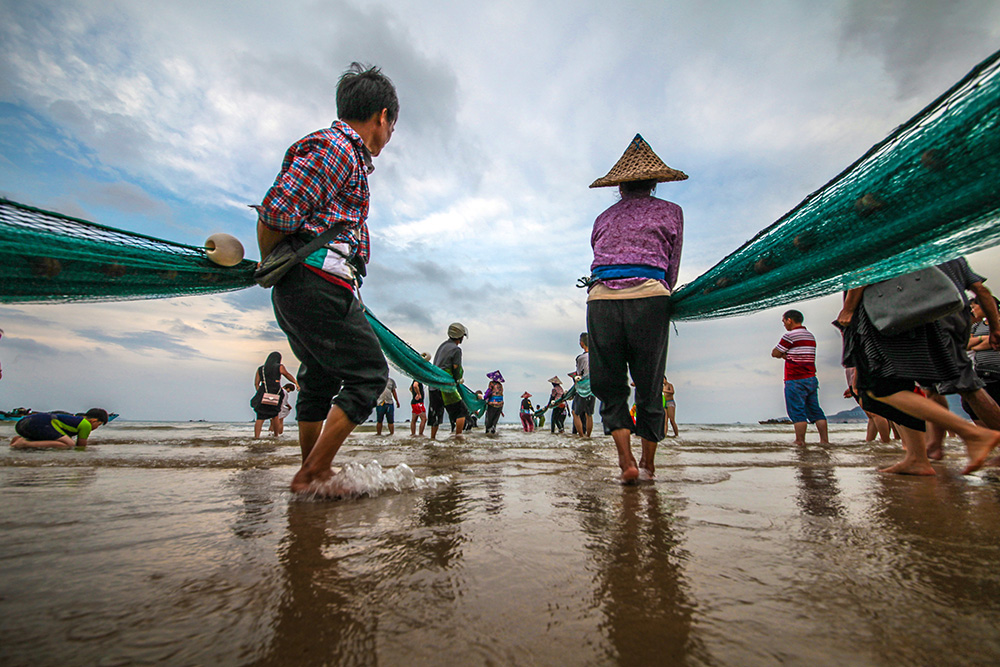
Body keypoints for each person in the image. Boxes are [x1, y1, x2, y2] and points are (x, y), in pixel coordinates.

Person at [254, 63, 398, 492]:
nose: (390, 136)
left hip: (306, 286)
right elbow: (276, 211)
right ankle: (314, 471)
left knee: (318, 377)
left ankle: (313, 471)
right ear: (383, 117)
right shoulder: (338, 148)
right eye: (392, 126)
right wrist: (277, 265)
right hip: (318, 283)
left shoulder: (341, 152)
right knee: (370, 373)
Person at [585, 134, 685, 482]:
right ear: (655, 183)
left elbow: (597, 255)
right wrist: (660, 294)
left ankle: (626, 460)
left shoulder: (603, 217)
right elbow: (671, 268)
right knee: (649, 382)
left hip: (602, 301)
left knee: (610, 385)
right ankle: (649, 465)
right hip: (651, 298)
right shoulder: (672, 212)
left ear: (620, 187)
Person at [838, 273, 1000, 475]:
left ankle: (972, 434)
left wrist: (849, 308)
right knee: (902, 384)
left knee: (876, 387)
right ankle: (917, 458)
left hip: (883, 315)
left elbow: (866, 267)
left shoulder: (863, 243)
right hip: (909, 312)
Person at [919, 258, 1000, 460]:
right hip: (932, 323)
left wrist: (995, 326)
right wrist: (994, 327)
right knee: (931, 387)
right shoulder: (954, 256)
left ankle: (976, 437)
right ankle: (934, 447)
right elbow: (981, 291)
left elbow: (982, 293)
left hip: (938, 321)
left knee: (967, 386)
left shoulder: (916, 253)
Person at [771, 310, 829, 446]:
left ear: (789, 320)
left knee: (797, 412)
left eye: (784, 321)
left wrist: (784, 355)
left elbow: (775, 352)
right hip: (811, 378)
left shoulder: (789, 336)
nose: (784, 324)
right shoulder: (810, 335)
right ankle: (825, 441)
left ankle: (800, 441)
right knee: (816, 411)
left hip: (795, 378)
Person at [962, 296, 1000, 428]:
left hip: (997, 372)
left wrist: (977, 344)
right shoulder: (977, 326)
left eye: (974, 307)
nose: (972, 310)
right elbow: (966, 344)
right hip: (981, 371)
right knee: (970, 404)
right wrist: (984, 339)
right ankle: (990, 440)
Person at [428, 323, 469, 440]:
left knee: (435, 414)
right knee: (461, 412)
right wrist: (458, 379)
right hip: (446, 386)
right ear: (460, 337)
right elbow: (456, 368)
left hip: (433, 385)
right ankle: (458, 438)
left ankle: (432, 440)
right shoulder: (456, 349)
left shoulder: (442, 346)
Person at [252, 352, 298, 438]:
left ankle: (256, 437)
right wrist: (295, 382)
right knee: (275, 415)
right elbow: (287, 375)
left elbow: (256, 383)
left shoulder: (260, 369)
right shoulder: (279, 367)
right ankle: (276, 436)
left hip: (263, 392)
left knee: (260, 417)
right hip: (275, 391)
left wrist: (260, 392)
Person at [11, 409, 109, 449]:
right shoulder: (86, 424)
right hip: (40, 424)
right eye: (99, 425)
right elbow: (81, 446)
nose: (96, 428)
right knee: (69, 444)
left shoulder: (74, 420)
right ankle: (24, 444)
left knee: (57, 439)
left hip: (22, 424)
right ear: (94, 421)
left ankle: (19, 439)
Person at [571, 333, 594, 437]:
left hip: (583, 388)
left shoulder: (580, 358)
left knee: (575, 413)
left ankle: (581, 436)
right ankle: (588, 436)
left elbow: (579, 374)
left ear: (581, 343)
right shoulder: (596, 356)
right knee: (589, 414)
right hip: (593, 387)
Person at [410, 358, 429, 437]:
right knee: (424, 419)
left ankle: (413, 434)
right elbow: (415, 386)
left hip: (414, 403)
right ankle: (420, 434)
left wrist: (414, 395)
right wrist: (418, 394)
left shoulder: (415, 378)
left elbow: (410, 388)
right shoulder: (418, 379)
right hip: (418, 403)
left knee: (414, 419)